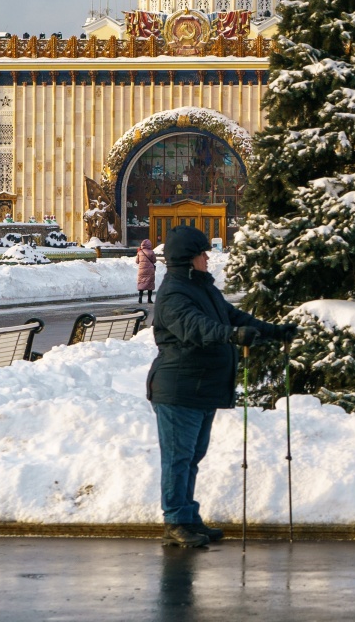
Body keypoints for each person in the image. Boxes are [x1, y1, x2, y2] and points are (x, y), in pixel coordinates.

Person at [148, 224, 294, 548]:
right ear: (189, 259)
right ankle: (174, 520)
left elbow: (232, 316)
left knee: (191, 457)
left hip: (199, 389)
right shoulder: (173, 293)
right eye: (203, 254)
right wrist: (230, 335)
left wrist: (273, 332)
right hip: (178, 390)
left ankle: (187, 516)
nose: (207, 258)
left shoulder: (203, 288)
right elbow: (195, 326)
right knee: (178, 458)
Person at [135, 239, 157, 306]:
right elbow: (154, 260)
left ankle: (140, 298)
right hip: (150, 270)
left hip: (142, 270)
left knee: (141, 284)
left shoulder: (140, 252)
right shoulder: (151, 252)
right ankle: (149, 299)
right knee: (149, 284)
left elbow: (137, 261)